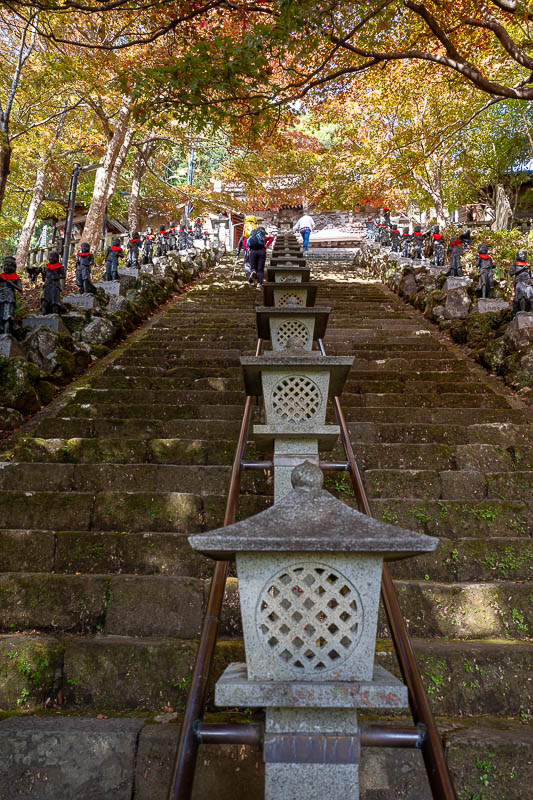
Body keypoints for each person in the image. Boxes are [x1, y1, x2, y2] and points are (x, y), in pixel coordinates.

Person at [247, 224, 274, 288]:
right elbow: (272, 238)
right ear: (263, 232)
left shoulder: (253, 235)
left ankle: (253, 272)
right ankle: (259, 283)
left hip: (252, 252)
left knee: (253, 267)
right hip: (261, 251)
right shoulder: (263, 237)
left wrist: (248, 248)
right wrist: (266, 245)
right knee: (260, 269)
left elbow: (246, 242)